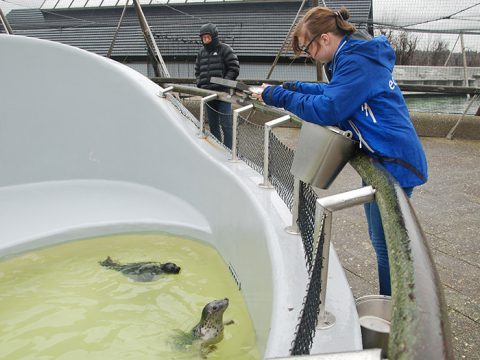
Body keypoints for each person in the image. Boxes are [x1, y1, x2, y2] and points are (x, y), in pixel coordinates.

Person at [260, 6, 428, 296]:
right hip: (381, 157)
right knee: (383, 241)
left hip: (394, 162)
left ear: (324, 39)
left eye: (308, 46)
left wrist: (278, 96)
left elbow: (329, 109)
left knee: (387, 246)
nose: (308, 54)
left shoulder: (355, 60)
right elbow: (332, 93)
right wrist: (288, 87)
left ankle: (394, 309)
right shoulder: (351, 56)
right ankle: (393, 301)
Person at [195, 23, 240, 149]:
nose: (206, 40)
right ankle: (218, 149)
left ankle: (229, 149)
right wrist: (200, 82)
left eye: (208, 37)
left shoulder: (225, 49)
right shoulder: (201, 53)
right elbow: (197, 71)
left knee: (226, 124)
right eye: (203, 38)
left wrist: (225, 82)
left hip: (223, 94)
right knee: (213, 124)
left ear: (214, 37)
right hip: (208, 95)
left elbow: (234, 67)